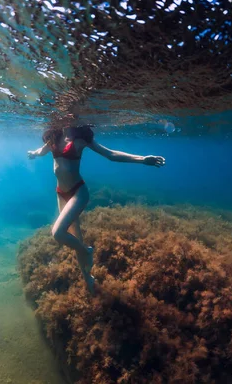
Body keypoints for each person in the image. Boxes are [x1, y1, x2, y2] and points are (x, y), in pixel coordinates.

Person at [27, 125, 166, 294]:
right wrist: (33, 154)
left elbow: (111, 154)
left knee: (58, 233)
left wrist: (142, 159)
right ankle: (88, 279)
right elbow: (41, 151)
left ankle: (87, 251)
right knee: (75, 237)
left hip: (78, 192)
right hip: (61, 193)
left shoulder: (81, 139)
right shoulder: (53, 138)